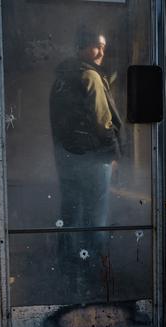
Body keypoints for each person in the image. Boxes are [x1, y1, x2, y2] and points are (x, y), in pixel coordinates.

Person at [49, 26, 122, 299]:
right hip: (93, 159)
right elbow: (103, 121)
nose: (101, 51)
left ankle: (69, 275)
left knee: (71, 216)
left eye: (103, 46)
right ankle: (94, 279)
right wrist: (112, 154)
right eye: (95, 45)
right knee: (96, 219)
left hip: (68, 158)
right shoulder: (89, 75)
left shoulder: (61, 78)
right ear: (81, 47)